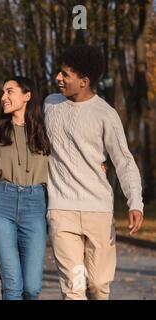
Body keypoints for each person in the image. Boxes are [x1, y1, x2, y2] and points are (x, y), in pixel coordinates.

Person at [44, 45, 144, 300]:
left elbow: (123, 160)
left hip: (98, 209)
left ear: (84, 81)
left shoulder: (105, 114)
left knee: (99, 286)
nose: (58, 78)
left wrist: (135, 203)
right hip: (61, 209)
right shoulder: (49, 105)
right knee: (74, 288)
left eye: (65, 74)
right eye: (59, 72)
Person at [0, 76, 50, 300]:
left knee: (31, 287)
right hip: (1, 202)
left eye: (10, 91)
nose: (4, 97)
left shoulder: (45, 132)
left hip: (35, 204)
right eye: (2, 92)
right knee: (12, 284)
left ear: (27, 95)